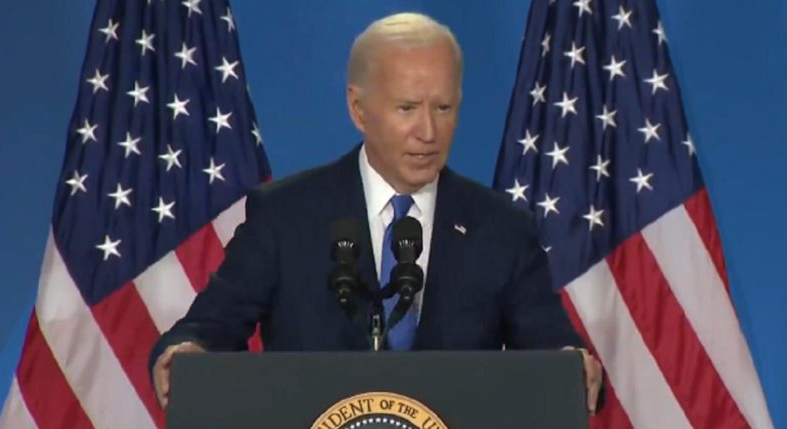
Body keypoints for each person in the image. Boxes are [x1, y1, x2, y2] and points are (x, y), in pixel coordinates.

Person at [150, 12, 603, 413]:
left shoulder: (501, 227)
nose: (428, 131)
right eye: (407, 108)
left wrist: (574, 366)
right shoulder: (285, 217)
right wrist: (184, 351)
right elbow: (205, 331)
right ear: (358, 108)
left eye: (443, 108)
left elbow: (552, 352)